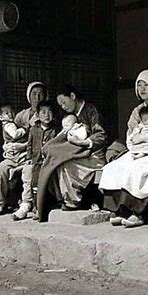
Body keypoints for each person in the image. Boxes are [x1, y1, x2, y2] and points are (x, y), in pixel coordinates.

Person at [99, 69, 148, 228]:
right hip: (139, 151)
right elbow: (130, 137)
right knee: (113, 167)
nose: (142, 89)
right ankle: (119, 211)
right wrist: (137, 146)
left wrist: (147, 140)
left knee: (136, 169)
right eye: (139, 85)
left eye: (146, 84)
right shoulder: (137, 111)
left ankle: (137, 213)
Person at [37, 85, 107, 221]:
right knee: (58, 161)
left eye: (64, 102)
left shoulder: (91, 111)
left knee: (65, 163)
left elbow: (101, 136)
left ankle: (74, 200)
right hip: (81, 153)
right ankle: (67, 199)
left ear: (73, 96)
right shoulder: (72, 116)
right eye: (60, 104)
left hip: (94, 155)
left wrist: (83, 142)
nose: (62, 106)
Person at [0, 81, 48, 217]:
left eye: (41, 94)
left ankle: (26, 203)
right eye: (34, 94)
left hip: (31, 155)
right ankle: (0, 202)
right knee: (1, 169)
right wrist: (7, 146)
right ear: (29, 96)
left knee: (29, 171)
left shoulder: (47, 114)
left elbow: (43, 140)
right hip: (16, 155)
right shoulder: (21, 115)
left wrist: (22, 146)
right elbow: (12, 135)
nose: (37, 97)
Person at [26, 101, 58, 221]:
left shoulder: (54, 130)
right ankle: (36, 208)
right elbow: (29, 145)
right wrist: (29, 157)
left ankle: (50, 206)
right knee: (35, 185)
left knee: (49, 184)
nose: (47, 115)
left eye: (49, 112)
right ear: (38, 115)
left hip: (49, 162)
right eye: (43, 112)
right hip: (36, 161)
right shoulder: (34, 129)